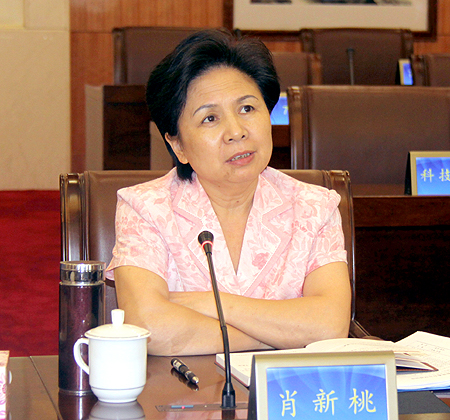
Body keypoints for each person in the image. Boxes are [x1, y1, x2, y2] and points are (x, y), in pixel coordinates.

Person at [106, 29, 351, 356]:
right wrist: (284, 335)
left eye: (247, 109)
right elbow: (149, 327)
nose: (236, 131)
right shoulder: (145, 208)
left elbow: (330, 325)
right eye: (210, 118)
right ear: (177, 145)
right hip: (188, 385)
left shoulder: (315, 207)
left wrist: (211, 304)